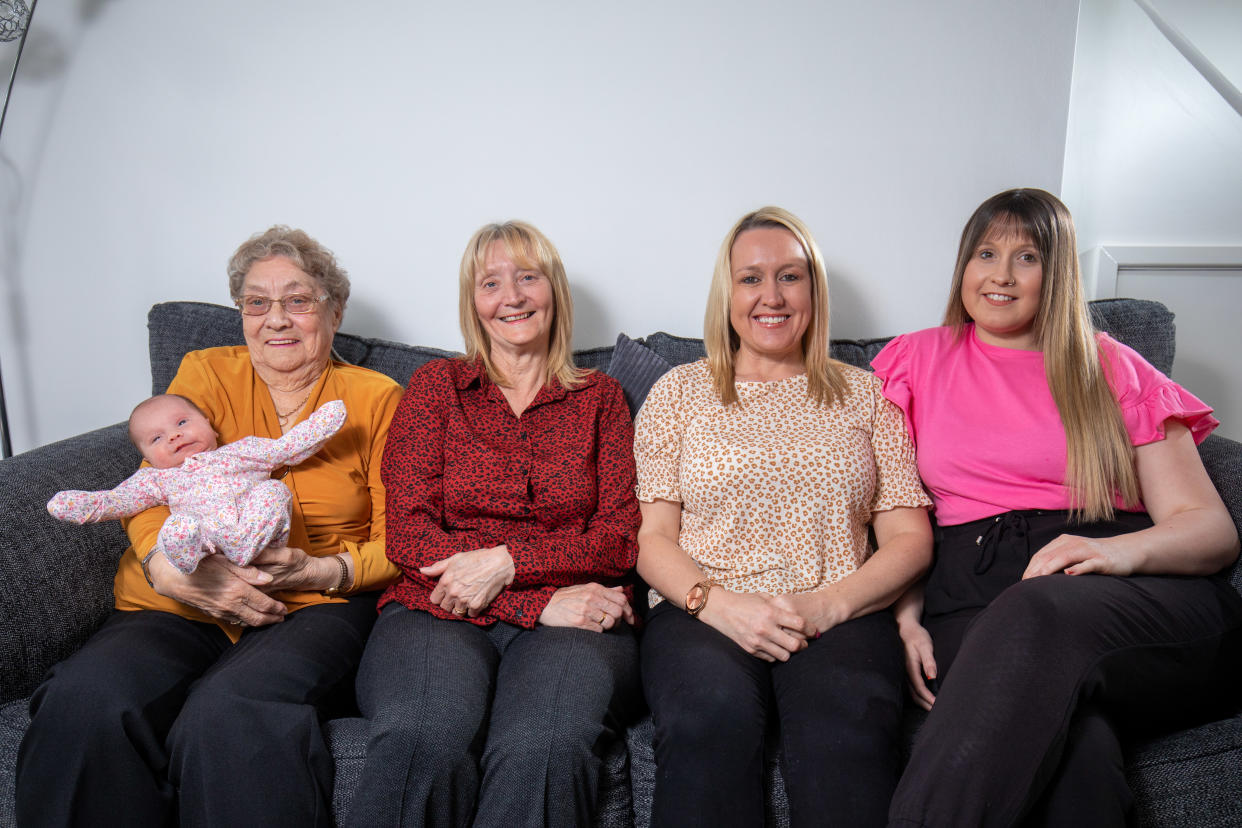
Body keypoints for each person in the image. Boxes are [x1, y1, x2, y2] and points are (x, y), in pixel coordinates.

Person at [873, 188, 1242, 828]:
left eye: (1026, 257)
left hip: (1127, 588)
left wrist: (1110, 553)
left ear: (1058, 271)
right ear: (963, 265)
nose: (1001, 275)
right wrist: (902, 622)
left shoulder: (1113, 367)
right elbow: (892, 512)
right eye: (986, 253)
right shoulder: (916, 360)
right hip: (970, 594)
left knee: (1037, 608)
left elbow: (1211, 529)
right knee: (1077, 754)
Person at [16, 226, 403, 828]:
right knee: (85, 702)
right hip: (181, 594)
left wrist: (325, 568)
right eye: (257, 302)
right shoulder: (205, 371)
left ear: (335, 309)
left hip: (309, 599)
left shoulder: (376, 397)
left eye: (298, 300)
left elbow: (401, 536)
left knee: (230, 714)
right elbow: (153, 482)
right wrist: (166, 568)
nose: (276, 319)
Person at [634, 206, 933, 828]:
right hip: (704, 608)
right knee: (708, 719)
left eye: (790, 276)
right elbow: (653, 540)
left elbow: (909, 540)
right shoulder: (679, 392)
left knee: (845, 733)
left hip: (840, 609)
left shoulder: (867, 394)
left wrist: (830, 605)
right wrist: (716, 604)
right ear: (728, 293)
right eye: (751, 278)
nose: (770, 296)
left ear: (814, 289)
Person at [346, 220, 641, 828]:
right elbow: (409, 535)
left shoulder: (601, 399)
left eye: (528, 277)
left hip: (576, 617)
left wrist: (509, 563)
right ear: (472, 304)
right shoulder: (435, 390)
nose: (512, 296)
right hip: (437, 608)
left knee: (546, 746)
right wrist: (533, 605)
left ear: (554, 291)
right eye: (491, 283)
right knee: (423, 735)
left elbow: (618, 538)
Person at [48, 395, 345, 573]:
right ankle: (187, 558)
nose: (173, 436)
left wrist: (325, 420)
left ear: (208, 424)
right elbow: (118, 500)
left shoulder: (241, 451)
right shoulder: (157, 478)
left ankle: (243, 547)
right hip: (205, 543)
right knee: (180, 528)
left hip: (257, 535)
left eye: (181, 423)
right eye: (156, 439)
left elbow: (287, 448)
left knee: (274, 491)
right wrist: (82, 505)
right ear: (148, 457)